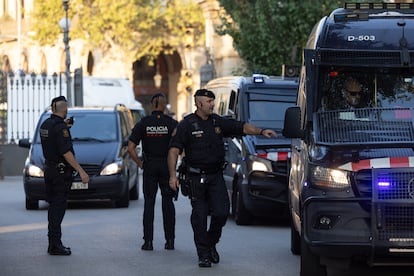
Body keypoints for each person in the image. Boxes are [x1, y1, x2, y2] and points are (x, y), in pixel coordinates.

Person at [167, 89, 277, 268]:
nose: (212, 104)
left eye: (213, 101)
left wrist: (261, 131)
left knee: (221, 212)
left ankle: (210, 243)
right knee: (200, 217)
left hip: (215, 176)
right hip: (195, 177)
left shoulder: (217, 121)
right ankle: (203, 254)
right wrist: (172, 176)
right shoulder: (187, 124)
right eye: (209, 101)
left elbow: (241, 127)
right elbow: (173, 151)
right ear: (199, 103)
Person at [128, 92, 178, 251]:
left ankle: (148, 242)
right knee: (168, 204)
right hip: (166, 165)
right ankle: (169, 241)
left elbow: (130, 148)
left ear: (151, 105)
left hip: (149, 166)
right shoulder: (171, 124)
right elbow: (179, 147)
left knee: (149, 204)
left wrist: (140, 163)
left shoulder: (143, 123)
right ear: (164, 105)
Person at [40, 96, 89, 255]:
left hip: (49, 170)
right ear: (65, 109)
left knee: (53, 206)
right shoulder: (61, 129)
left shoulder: (46, 124)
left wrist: (64, 126)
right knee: (58, 208)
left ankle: (52, 243)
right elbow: (66, 153)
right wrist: (81, 170)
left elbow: (53, 138)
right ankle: (55, 245)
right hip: (60, 173)